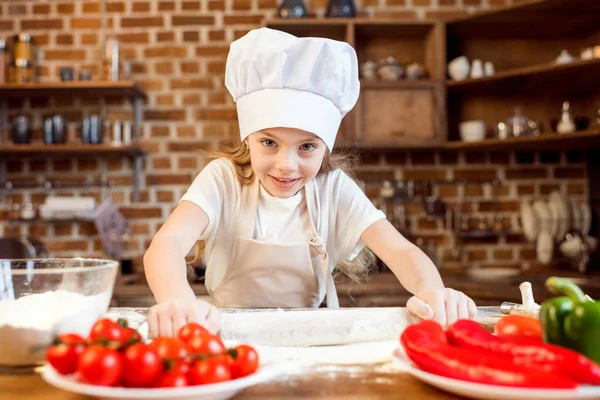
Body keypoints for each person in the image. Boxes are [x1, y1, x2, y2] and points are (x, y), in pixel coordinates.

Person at [143, 27, 477, 338]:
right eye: (269, 143)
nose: (286, 165)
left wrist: (433, 292)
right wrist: (177, 299)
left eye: (307, 147)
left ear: (325, 148)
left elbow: (400, 250)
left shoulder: (333, 187)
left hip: (311, 335)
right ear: (247, 139)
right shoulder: (222, 179)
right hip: (227, 333)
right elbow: (167, 244)